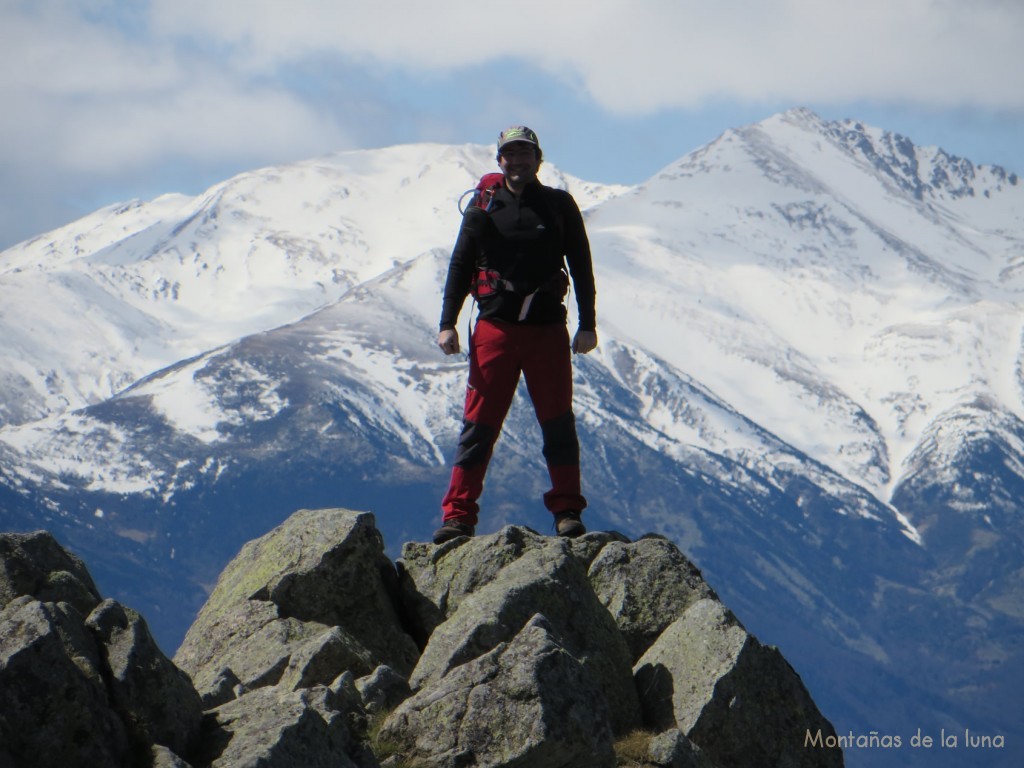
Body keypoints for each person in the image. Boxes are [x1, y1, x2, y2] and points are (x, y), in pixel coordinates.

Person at [433, 125, 598, 545]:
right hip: (495, 329)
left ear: (538, 159)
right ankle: (458, 516)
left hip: (547, 331)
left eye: (525, 153)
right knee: (479, 425)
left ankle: (567, 512)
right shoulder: (483, 208)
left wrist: (588, 324)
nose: (518, 160)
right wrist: (447, 323)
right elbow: (459, 264)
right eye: (510, 154)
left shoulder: (558, 206)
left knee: (557, 423)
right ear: (499, 160)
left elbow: (581, 265)